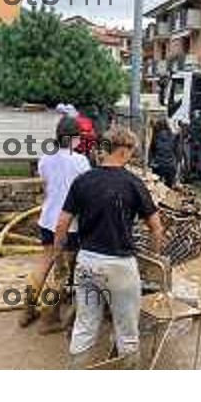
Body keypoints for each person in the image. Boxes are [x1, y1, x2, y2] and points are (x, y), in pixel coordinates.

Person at [53, 126, 163, 368]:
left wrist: (59, 256)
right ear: (123, 151)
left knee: (84, 326)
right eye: (131, 151)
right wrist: (151, 260)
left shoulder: (83, 181)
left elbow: (61, 224)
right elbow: (156, 227)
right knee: (127, 331)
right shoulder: (133, 183)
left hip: (88, 264)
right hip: (120, 268)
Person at [19, 116, 91, 332]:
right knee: (61, 272)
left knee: (43, 264)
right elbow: (87, 191)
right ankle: (49, 319)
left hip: (47, 220)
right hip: (69, 225)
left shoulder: (45, 159)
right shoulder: (81, 162)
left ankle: (27, 312)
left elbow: (46, 180)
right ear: (74, 138)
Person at [148, 118, 177, 188]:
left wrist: (150, 163)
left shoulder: (156, 137)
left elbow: (152, 151)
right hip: (170, 166)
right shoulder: (173, 136)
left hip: (158, 165)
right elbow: (176, 151)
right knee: (169, 189)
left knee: (157, 187)